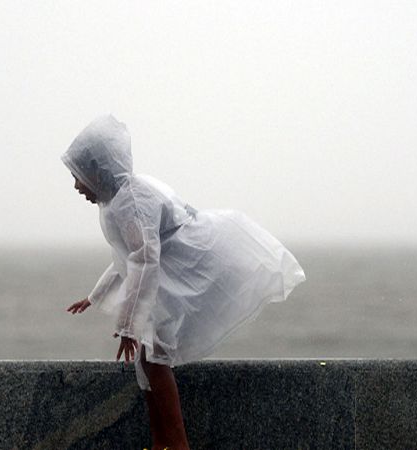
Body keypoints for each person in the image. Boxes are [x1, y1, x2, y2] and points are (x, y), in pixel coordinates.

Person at [64, 114, 306, 450]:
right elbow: (126, 257)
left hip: (188, 267)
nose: (77, 186)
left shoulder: (131, 201)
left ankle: (176, 444)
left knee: (154, 359)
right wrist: (96, 295)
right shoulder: (118, 200)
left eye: (80, 177)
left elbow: (144, 259)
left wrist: (129, 324)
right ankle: (163, 441)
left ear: (100, 170)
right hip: (169, 274)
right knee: (149, 361)